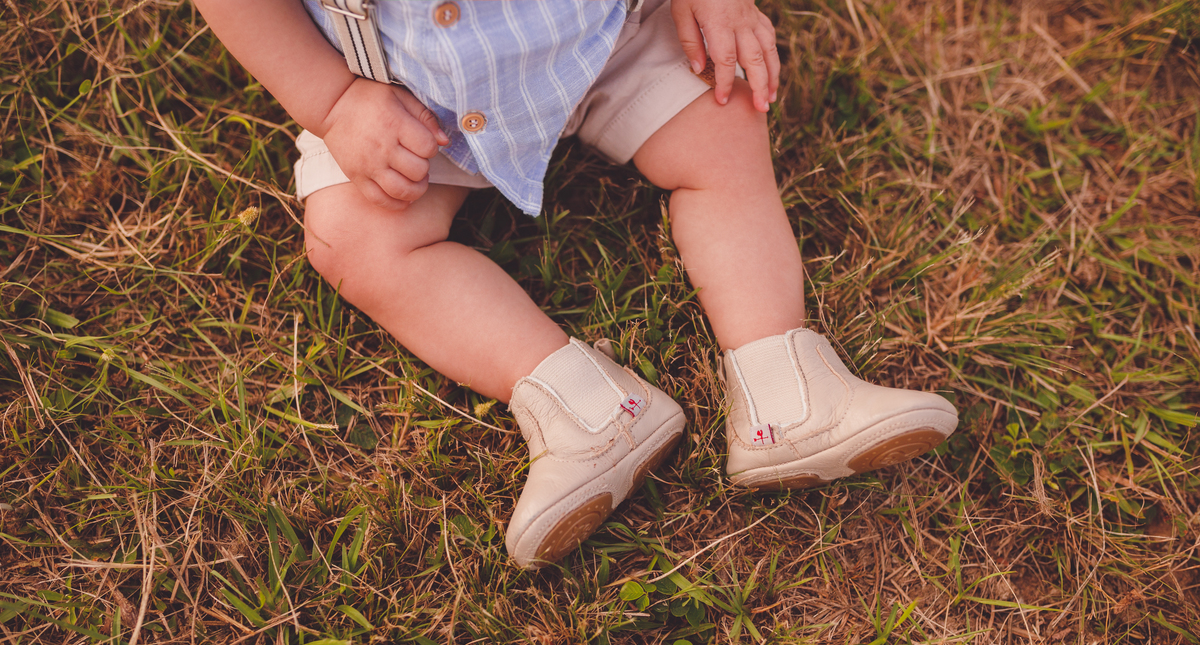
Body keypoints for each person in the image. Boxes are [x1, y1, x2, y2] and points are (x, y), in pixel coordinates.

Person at [192, 0, 958, 569]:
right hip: (409, 98)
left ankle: (783, 391)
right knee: (353, 240)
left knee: (722, 129)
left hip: (604, 34)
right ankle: (589, 413)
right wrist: (333, 101)